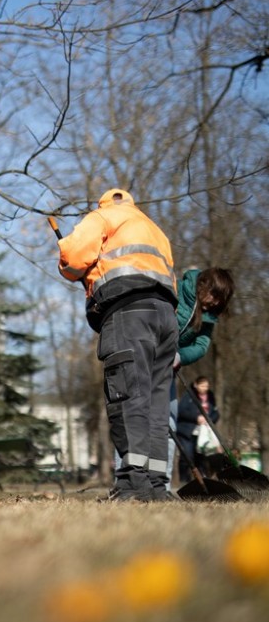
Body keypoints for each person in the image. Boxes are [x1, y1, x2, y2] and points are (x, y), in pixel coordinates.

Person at [56, 188, 178, 501]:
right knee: (156, 404)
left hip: (129, 314)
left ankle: (132, 484)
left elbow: (73, 257)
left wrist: (66, 263)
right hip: (166, 317)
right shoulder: (154, 229)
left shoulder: (104, 216)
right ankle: (156, 486)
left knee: (127, 396)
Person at [168, 267, 234, 484]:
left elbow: (201, 345)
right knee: (140, 418)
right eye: (214, 295)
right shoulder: (176, 290)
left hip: (169, 366)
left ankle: (162, 483)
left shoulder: (208, 316)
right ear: (203, 285)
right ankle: (132, 478)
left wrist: (180, 356)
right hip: (146, 356)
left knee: (168, 420)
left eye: (220, 300)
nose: (215, 302)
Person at [175, 376, 221, 479]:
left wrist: (209, 420)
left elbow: (216, 413)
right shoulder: (188, 395)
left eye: (206, 386)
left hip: (203, 432)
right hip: (187, 432)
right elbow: (181, 411)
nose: (205, 388)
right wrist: (196, 418)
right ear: (196, 385)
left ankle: (202, 480)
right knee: (187, 456)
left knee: (201, 458)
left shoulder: (210, 396)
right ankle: (184, 480)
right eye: (202, 386)